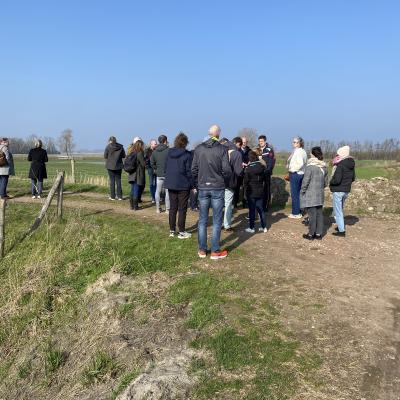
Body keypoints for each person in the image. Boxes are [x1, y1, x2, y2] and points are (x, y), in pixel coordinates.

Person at [191, 124, 231, 260]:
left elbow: (193, 170)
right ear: (218, 134)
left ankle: (202, 250)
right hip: (217, 187)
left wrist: (198, 183)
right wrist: (223, 180)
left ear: (209, 133)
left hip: (203, 187)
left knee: (202, 219)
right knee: (216, 219)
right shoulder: (222, 149)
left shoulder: (198, 149)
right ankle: (214, 251)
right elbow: (227, 170)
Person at [164, 133, 193, 239]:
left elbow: (165, 167)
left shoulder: (169, 153)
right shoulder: (187, 155)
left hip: (171, 183)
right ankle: (181, 232)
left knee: (173, 208)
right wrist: (192, 184)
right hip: (183, 184)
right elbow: (189, 171)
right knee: (182, 209)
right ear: (185, 143)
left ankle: (172, 230)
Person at [300, 147, 328, 240]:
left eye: (310, 153)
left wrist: (302, 191)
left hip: (311, 195)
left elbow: (305, 182)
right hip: (320, 194)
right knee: (319, 214)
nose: (309, 154)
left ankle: (311, 234)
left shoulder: (310, 167)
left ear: (313, 154)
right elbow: (325, 183)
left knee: (312, 215)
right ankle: (319, 234)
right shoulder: (324, 167)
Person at [329, 145, 355, 237]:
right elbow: (353, 178)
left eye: (338, 154)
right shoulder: (351, 164)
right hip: (346, 190)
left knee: (338, 211)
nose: (337, 155)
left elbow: (337, 180)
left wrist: (331, 182)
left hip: (338, 190)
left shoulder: (341, 164)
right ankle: (340, 226)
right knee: (340, 210)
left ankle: (341, 231)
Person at [220, 137, 243, 231]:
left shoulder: (219, 152)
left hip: (218, 181)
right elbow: (238, 171)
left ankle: (219, 223)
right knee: (228, 204)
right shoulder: (237, 154)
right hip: (230, 181)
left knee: (219, 204)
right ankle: (227, 225)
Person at [244, 150, 268, 233]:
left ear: (250, 158)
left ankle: (251, 228)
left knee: (252, 210)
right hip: (260, 190)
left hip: (251, 191)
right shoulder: (262, 166)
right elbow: (265, 179)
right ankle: (264, 227)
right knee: (261, 209)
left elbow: (246, 181)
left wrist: (245, 188)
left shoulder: (249, 168)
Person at [287, 136, 307, 218]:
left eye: (295, 142)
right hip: (300, 173)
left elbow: (300, 163)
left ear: (300, 143)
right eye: (293, 142)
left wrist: (292, 169)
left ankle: (296, 213)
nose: (293, 143)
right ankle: (299, 211)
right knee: (298, 194)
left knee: (295, 194)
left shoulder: (299, 152)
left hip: (296, 174)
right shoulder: (302, 151)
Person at [151, 135, 170, 213]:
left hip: (158, 174)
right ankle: (167, 210)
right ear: (165, 141)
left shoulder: (154, 151)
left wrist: (156, 169)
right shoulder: (169, 150)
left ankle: (157, 209)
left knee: (157, 191)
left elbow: (152, 163)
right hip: (167, 174)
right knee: (167, 192)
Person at [257, 135, 275, 211]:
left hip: (266, 173)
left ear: (265, 141)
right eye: (259, 141)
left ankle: (265, 206)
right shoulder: (257, 150)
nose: (260, 143)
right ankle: (259, 206)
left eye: (262, 141)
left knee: (266, 190)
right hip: (258, 173)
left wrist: (267, 170)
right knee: (258, 190)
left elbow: (271, 162)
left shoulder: (269, 150)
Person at [104, 136, 125, 200]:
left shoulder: (108, 147)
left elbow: (105, 156)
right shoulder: (121, 147)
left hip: (110, 166)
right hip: (118, 166)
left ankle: (112, 196)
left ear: (110, 141)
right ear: (116, 140)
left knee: (112, 181)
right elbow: (124, 155)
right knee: (118, 181)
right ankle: (120, 196)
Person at [127, 140, 146, 210]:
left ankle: (131, 206)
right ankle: (135, 206)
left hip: (131, 173)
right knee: (136, 189)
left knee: (132, 190)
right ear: (141, 145)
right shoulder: (139, 153)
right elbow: (143, 164)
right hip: (137, 174)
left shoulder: (131, 152)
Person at [145, 139, 157, 203]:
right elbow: (146, 160)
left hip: (156, 168)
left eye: (156, 144)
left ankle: (156, 196)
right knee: (151, 183)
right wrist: (147, 166)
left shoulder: (157, 150)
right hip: (150, 168)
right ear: (151, 144)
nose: (155, 145)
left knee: (156, 183)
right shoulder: (147, 151)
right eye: (154, 144)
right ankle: (153, 197)